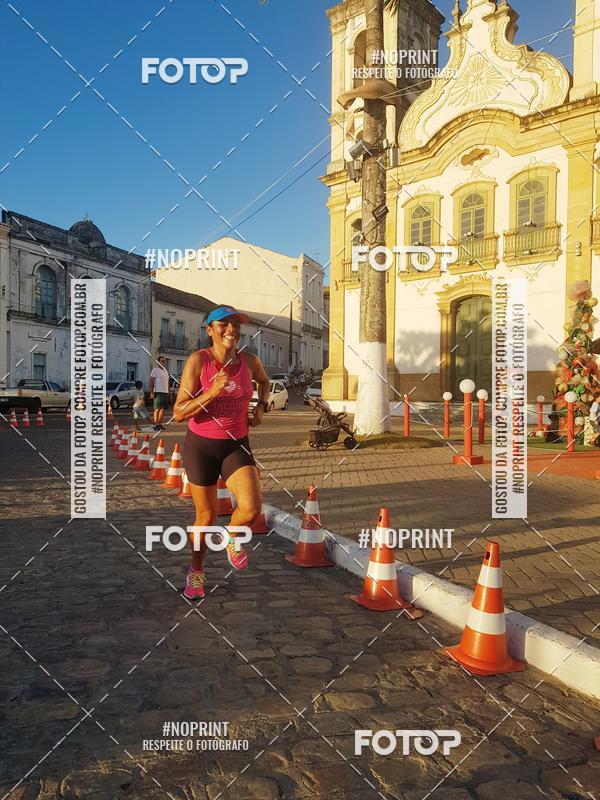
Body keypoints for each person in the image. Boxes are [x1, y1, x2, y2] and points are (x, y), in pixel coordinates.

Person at [173, 304, 271, 599]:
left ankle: (231, 536)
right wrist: (212, 392)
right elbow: (178, 412)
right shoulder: (198, 361)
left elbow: (264, 382)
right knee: (205, 518)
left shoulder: (250, 362)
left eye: (236, 325)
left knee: (252, 509)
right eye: (224, 324)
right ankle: (197, 572)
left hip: (236, 443)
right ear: (210, 330)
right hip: (202, 446)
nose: (231, 329)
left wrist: (261, 407)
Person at [149, 355, 169, 431]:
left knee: (163, 409)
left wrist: (169, 393)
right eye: (162, 361)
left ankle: (159, 424)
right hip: (158, 392)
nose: (164, 362)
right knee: (157, 408)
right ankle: (156, 424)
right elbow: (151, 381)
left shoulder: (166, 371)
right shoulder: (155, 370)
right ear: (158, 362)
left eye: (165, 361)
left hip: (165, 392)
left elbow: (167, 383)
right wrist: (151, 392)